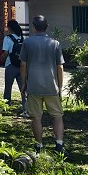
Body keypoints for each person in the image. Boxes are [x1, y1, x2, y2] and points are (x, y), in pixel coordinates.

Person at [19, 15, 66, 155]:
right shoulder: (55, 43)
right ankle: (59, 144)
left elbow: (23, 64)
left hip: (33, 85)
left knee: (36, 117)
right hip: (52, 86)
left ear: (33, 27)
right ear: (47, 27)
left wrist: (23, 83)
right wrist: (60, 86)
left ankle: (39, 145)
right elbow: (60, 67)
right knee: (57, 116)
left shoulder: (28, 43)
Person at [1, 19, 28, 117]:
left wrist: (1, 58)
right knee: (23, 87)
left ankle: (6, 105)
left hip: (10, 65)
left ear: (9, 28)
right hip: (21, 65)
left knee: (8, 87)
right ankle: (26, 107)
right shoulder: (21, 38)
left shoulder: (7, 38)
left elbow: (5, 53)